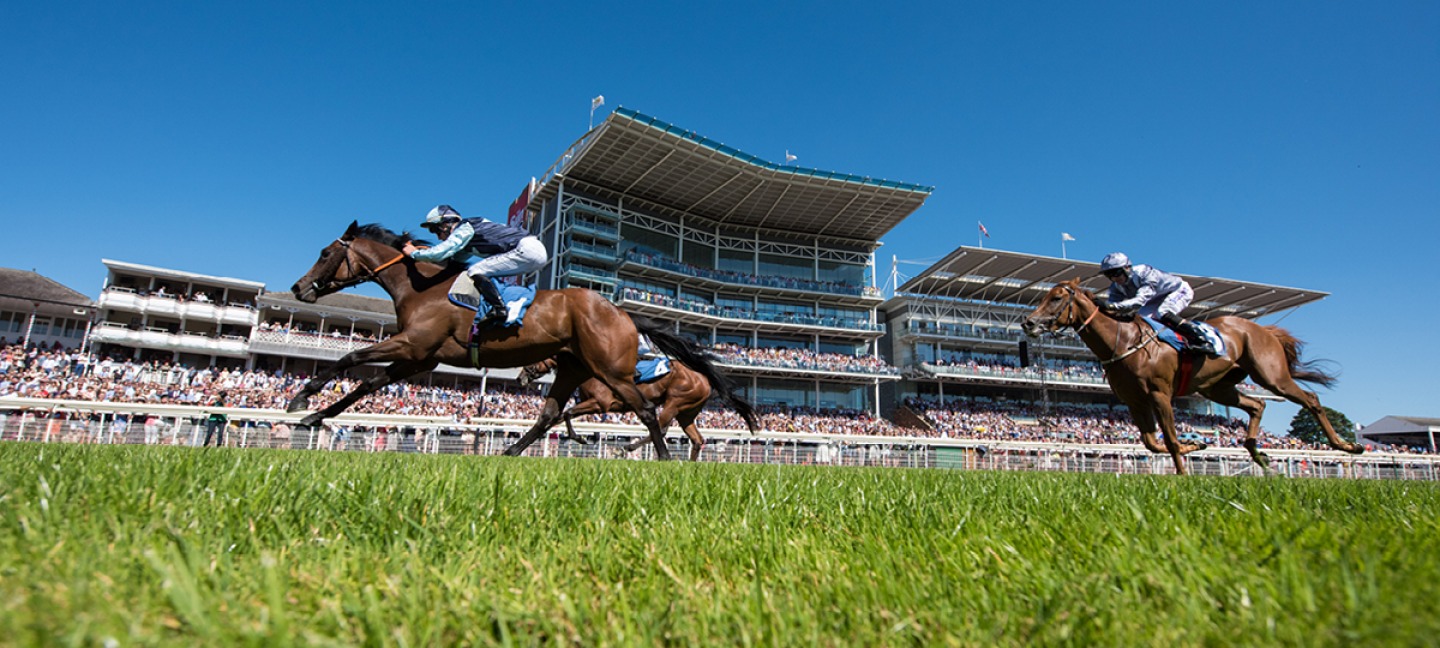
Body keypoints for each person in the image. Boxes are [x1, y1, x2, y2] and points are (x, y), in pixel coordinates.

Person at [402, 204, 548, 325]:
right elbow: (454, 261)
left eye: (435, 230)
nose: (437, 237)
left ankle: (499, 309)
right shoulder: (466, 242)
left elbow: (441, 252)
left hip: (527, 249)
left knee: (475, 270)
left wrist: (414, 253)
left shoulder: (465, 227)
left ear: (446, 224)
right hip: (532, 252)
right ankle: (505, 304)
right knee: (487, 274)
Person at [1098, 252, 1222, 356]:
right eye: (1109, 275)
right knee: (1140, 320)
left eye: (1116, 273)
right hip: (1154, 299)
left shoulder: (1145, 273)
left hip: (1178, 290)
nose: (1114, 278)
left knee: (1163, 312)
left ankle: (1202, 340)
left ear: (1127, 268)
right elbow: (1112, 308)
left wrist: (1111, 306)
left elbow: (1139, 301)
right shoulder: (1115, 287)